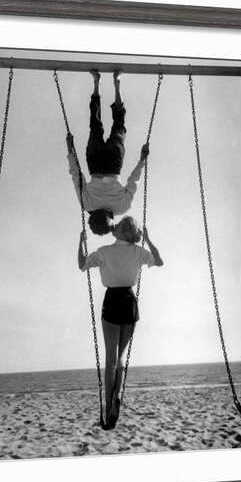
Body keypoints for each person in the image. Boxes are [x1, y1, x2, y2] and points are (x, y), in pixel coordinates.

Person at [78, 216, 164, 429]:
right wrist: (149, 240)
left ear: (121, 232)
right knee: (121, 357)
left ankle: (109, 406)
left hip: (113, 301)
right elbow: (159, 261)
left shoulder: (104, 251)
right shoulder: (138, 252)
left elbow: (81, 265)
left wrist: (80, 241)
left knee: (111, 358)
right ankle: (119, 394)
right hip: (129, 301)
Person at [67, 70, 150, 235]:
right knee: (95, 125)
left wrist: (142, 161)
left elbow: (133, 181)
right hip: (97, 165)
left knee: (118, 125)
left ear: (111, 222)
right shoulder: (87, 205)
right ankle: (98, 83)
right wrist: (69, 149)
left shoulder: (122, 208)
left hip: (113, 166)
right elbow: (76, 176)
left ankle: (112, 84)